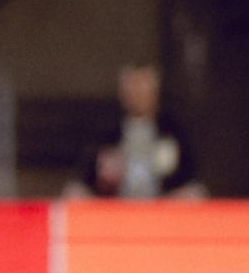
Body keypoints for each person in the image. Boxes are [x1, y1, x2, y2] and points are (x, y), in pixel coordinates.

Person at [63, 63, 204, 200]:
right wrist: (104, 175)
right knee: (74, 192)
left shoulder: (172, 129)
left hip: (161, 203)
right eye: (131, 87)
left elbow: (187, 173)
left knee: (195, 194)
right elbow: (86, 173)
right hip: (116, 203)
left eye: (142, 86)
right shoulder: (107, 129)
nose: (136, 94)